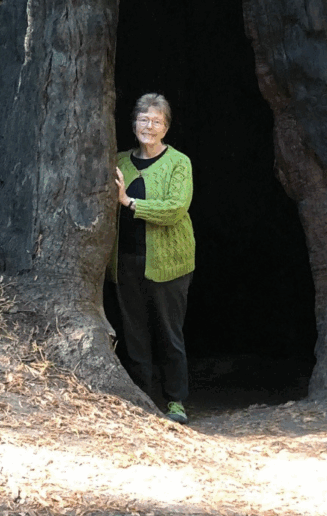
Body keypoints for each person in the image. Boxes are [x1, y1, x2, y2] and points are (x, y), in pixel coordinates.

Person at [110, 93, 195, 424]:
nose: (149, 126)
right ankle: (143, 400)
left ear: (166, 127)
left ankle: (176, 402)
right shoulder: (118, 160)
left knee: (169, 333)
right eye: (144, 119)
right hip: (126, 260)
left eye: (156, 121)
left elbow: (176, 208)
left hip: (169, 263)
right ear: (134, 123)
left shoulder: (178, 162)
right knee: (134, 334)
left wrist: (129, 203)